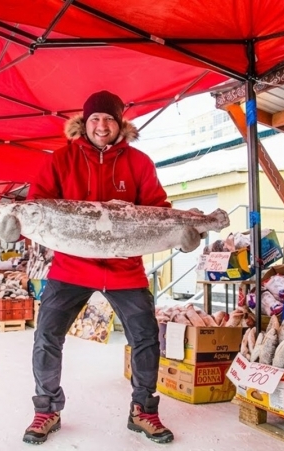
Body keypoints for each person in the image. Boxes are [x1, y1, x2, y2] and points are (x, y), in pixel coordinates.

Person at [23, 91, 175, 445]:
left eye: (108, 119)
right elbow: (36, 205)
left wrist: (180, 231)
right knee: (47, 335)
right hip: (70, 267)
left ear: (119, 123)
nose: (102, 125)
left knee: (146, 337)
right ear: (84, 123)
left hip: (125, 269)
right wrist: (18, 223)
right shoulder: (61, 160)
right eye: (95, 119)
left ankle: (144, 410)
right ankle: (46, 409)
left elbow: (157, 207)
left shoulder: (139, 162)